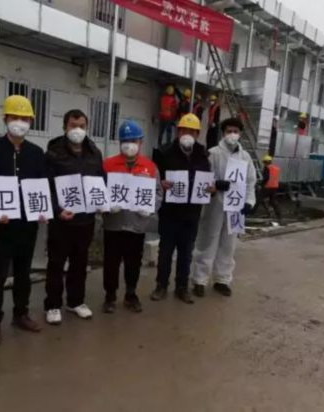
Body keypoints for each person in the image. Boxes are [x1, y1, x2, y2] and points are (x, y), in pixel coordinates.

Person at [0, 95, 45, 347]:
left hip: (27, 225)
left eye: (25, 118)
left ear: (31, 122)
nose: (19, 123)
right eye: (14, 117)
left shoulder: (36, 153)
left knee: (24, 273)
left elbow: (42, 185)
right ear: (5, 118)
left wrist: (43, 209)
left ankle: (21, 314)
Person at [44, 109, 104, 324]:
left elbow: (100, 181)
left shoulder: (94, 152)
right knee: (56, 263)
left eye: (81, 126)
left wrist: (102, 201)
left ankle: (76, 301)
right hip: (61, 219)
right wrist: (57, 209)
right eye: (73, 125)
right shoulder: (53, 153)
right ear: (64, 127)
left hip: (85, 219)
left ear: (86, 128)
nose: (77, 130)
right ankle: (52, 305)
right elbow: (46, 185)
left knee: (80, 262)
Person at [151, 113, 212, 304]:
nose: (188, 134)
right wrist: (161, 183)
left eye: (192, 131)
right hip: (169, 212)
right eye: (184, 130)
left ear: (197, 134)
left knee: (186, 253)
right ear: (178, 132)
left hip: (191, 213)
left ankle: (182, 288)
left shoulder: (203, 154)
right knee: (165, 252)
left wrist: (210, 189)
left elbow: (207, 179)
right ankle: (161, 286)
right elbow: (155, 178)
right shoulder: (164, 152)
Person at [102, 120, 162, 314]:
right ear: (120, 142)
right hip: (113, 223)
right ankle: (110, 296)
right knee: (111, 262)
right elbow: (98, 190)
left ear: (141, 142)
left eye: (134, 140)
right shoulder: (108, 164)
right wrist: (105, 205)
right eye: (125, 141)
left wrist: (150, 208)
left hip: (137, 224)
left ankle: (130, 294)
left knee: (133, 262)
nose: (130, 145)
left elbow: (158, 192)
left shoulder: (150, 167)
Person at [192, 117, 256, 298]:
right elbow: (203, 178)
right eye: (229, 131)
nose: (232, 134)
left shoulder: (245, 157)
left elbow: (250, 181)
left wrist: (249, 201)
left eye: (236, 131)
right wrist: (216, 184)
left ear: (240, 133)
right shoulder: (213, 153)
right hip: (215, 205)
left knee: (228, 245)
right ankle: (199, 280)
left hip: (235, 207)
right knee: (207, 241)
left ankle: (222, 279)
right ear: (223, 133)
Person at [252, 155, 282, 222]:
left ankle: (251, 212)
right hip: (275, 186)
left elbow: (266, 178)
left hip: (267, 186)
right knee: (273, 201)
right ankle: (279, 216)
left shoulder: (267, 168)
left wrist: (261, 184)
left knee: (258, 199)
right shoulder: (276, 168)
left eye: (264, 162)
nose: (264, 164)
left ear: (266, 162)